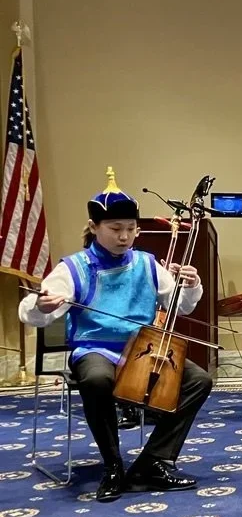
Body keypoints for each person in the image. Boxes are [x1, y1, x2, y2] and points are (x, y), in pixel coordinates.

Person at [19, 167, 211, 502]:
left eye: (131, 229)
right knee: (96, 380)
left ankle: (153, 461)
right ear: (94, 228)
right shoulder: (74, 267)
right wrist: (44, 307)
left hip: (142, 348)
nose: (124, 237)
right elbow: (31, 311)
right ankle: (112, 465)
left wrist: (191, 285)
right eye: (115, 229)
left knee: (198, 380)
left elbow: (182, 306)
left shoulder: (147, 264)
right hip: (96, 349)